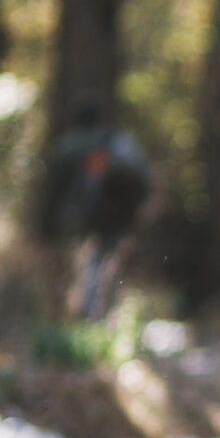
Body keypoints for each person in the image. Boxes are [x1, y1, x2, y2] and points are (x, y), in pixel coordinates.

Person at [45, 95, 154, 321]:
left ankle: (83, 318)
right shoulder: (118, 142)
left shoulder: (68, 145)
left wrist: (45, 224)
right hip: (113, 218)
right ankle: (102, 319)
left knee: (80, 269)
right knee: (104, 267)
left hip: (75, 220)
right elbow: (144, 178)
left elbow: (51, 189)